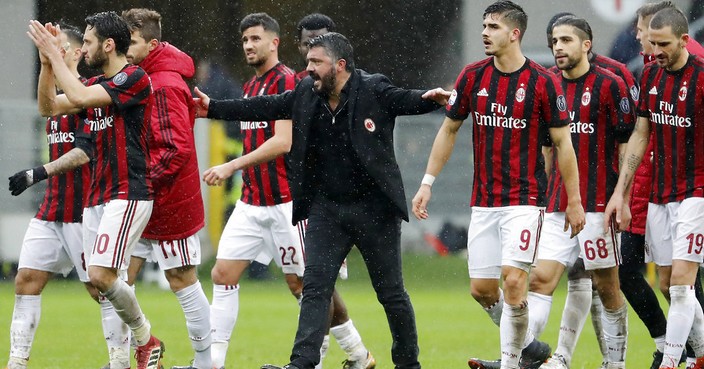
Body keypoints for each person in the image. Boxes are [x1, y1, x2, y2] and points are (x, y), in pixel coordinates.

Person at [194, 31, 449, 369]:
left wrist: (431, 99)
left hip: (375, 211)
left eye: (316, 62)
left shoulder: (372, 88)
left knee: (391, 294)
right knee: (314, 288)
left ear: (339, 65)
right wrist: (213, 108)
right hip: (327, 210)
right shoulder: (305, 93)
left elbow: (404, 99)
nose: (309, 68)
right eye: (308, 61)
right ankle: (302, 363)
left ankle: (407, 364)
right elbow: (266, 106)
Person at [410, 2, 586, 369]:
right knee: (482, 290)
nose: (485, 33)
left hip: (526, 200)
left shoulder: (542, 81)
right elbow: (449, 129)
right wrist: (427, 183)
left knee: (514, 281)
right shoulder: (472, 76)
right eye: (484, 26)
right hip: (484, 202)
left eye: (493, 27)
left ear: (514, 33)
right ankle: (529, 347)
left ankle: (511, 363)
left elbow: (563, 144)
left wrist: (574, 200)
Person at [15, 12, 162, 369]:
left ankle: (145, 339)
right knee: (103, 283)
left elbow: (77, 93)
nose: (83, 49)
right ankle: (132, 355)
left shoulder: (134, 77)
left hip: (128, 193)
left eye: (90, 42)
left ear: (109, 45)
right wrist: (48, 65)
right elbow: (48, 106)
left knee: (100, 277)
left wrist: (56, 53)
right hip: (97, 199)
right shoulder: (99, 84)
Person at [196, 13, 305, 369]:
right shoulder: (249, 87)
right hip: (251, 203)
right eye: (244, 40)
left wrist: (231, 166)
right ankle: (214, 361)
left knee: (302, 286)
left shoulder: (287, 82)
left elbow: (283, 141)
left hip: (286, 203)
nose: (248, 45)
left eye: (255, 39)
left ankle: (347, 350)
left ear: (274, 42)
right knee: (222, 274)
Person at [527, 16, 633, 369]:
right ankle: (523, 353)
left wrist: (622, 196)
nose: (558, 46)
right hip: (558, 204)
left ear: (586, 45)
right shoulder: (547, 86)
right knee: (540, 279)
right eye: (554, 40)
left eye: (567, 40)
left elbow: (625, 146)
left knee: (607, 287)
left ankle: (614, 362)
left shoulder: (610, 85)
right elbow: (546, 148)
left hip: (599, 205)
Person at [604, 6, 704, 369]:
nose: (655, 50)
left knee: (681, 284)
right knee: (667, 284)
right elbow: (641, 133)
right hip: (661, 195)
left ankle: (671, 361)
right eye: (653, 42)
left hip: (697, 192)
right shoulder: (650, 75)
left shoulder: (702, 77)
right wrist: (621, 193)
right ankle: (702, 355)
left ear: (684, 40)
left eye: (664, 44)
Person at [120, 8, 212, 369]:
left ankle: (206, 363)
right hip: (144, 198)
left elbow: (176, 148)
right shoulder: (144, 75)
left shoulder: (165, 84)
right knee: (113, 279)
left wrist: (141, 183)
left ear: (152, 44)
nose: (125, 50)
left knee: (182, 280)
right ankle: (124, 358)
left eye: (132, 43)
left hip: (169, 200)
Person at [5, 23, 98, 369]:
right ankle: (16, 362)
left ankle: (133, 349)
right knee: (26, 280)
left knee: (100, 289)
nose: (51, 53)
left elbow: (85, 151)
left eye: (57, 47)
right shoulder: (55, 101)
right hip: (52, 209)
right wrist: (45, 65)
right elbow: (46, 107)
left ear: (76, 54)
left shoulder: (91, 93)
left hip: (85, 210)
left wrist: (37, 173)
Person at [291, 12, 374, 369]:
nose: (315, 46)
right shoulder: (299, 85)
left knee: (313, 285)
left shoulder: (353, 85)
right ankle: (357, 355)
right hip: (301, 199)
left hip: (320, 202)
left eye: (322, 40)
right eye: (309, 41)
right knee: (313, 285)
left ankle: (328, 359)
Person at [295, 13, 335, 80]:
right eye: (307, 44)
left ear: (334, 45)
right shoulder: (296, 83)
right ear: (299, 46)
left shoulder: (352, 81)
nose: (313, 50)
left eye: (320, 44)